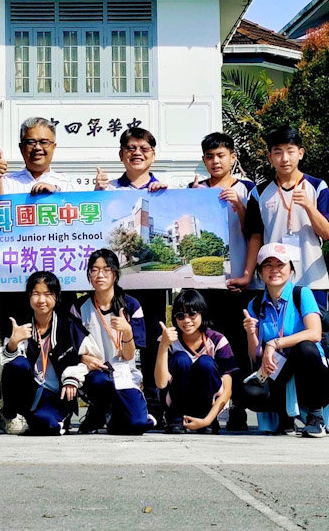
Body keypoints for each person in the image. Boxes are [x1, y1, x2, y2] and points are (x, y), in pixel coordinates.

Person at [94, 126, 168, 426]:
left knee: (151, 340)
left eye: (143, 149)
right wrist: (97, 195)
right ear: (121, 154)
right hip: (117, 285)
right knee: (113, 339)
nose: (137, 153)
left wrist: (168, 194)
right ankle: (114, 402)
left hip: (153, 285)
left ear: (153, 155)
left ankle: (154, 404)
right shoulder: (108, 189)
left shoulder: (164, 190)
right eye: (131, 148)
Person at [188, 131, 260, 430]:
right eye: (209, 156)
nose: (215, 161)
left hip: (238, 283)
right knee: (205, 344)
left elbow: (254, 233)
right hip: (204, 286)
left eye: (221, 155)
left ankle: (238, 408)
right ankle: (208, 408)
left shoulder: (248, 189)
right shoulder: (195, 189)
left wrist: (239, 206)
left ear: (232, 157)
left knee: (238, 348)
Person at [242, 244, 329, 437]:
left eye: (280, 265)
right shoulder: (255, 304)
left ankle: (315, 417)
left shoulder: (302, 294)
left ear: (291, 270)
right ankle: (284, 417)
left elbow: (314, 333)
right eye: (268, 265)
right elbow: (256, 356)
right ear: (260, 272)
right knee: (250, 392)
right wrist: (251, 333)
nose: (274, 270)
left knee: (305, 348)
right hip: (279, 367)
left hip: (309, 366)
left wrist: (275, 343)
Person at [0, 117, 74, 341]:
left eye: (44, 142)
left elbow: (79, 225)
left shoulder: (66, 184)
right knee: (15, 341)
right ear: (21, 147)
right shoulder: (8, 181)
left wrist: (56, 195)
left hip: (58, 277)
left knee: (61, 340)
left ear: (54, 146)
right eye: (31, 142)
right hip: (16, 279)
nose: (37, 148)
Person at [245, 125, 329, 309]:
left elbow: (328, 233)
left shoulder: (317, 186)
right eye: (278, 152)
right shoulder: (258, 192)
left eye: (290, 151)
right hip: (274, 281)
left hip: (311, 279)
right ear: (270, 157)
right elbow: (255, 237)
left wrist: (309, 206)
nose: (285, 158)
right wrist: (248, 275)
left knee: (315, 327)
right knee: (275, 327)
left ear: (300, 153)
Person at [0, 271, 92, 435]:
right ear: (28, 296)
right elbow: (1, 370)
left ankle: (50, 419)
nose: (41, 300)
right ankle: (9, 416)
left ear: (56, 297)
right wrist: (12, 344)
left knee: (46, 425)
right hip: (29, 392)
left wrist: (73, 375)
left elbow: (93, 359)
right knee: (18, 364)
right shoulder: (22, 326)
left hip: (56, 395)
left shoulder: (69, 326)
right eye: (36, 294)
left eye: (48, 294)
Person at [71, 249, 152, 435]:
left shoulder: (131, 305)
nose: (100, 275)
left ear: (115, 274)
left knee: (137, 424)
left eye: (106, 270)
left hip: (124, 374)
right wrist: (84, 359)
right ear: (89, 275)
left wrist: (127, 331)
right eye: (94, 270)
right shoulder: (79, 307)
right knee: (98, 381)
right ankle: (98, 411)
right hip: (95, 374)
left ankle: (114, 417)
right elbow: (74, 348)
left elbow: (129, 355)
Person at [154, 289, 237, 434]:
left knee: (206, 363)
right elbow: (160, 384)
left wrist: (207, 420)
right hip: (176, 406)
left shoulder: (217, 340)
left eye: (192, 314)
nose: (186, 320)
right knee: (181, 359)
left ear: (202, 314)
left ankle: (205, 418)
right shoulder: (168, 341)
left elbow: (227, 390)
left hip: (207, 412)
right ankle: (176, 418)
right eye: (180, 315)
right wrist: (163, 346)